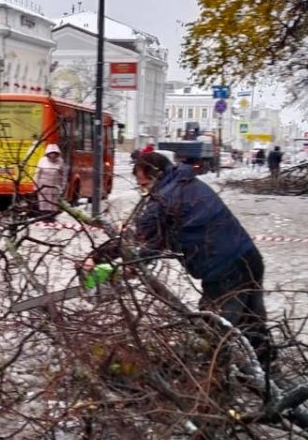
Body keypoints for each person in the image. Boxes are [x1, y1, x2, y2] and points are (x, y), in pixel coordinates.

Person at [103, 152, 271, 363]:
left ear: (156, 175)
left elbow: (143, 242)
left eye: (144, 184)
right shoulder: (187, 182)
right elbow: (153, 241)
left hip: (225, 270)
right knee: (252, 322)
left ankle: (209, 380)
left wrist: (108, 259)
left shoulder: (164, 199)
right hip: (249, 257)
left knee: (214, 329)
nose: (144, 191)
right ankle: (266, 375)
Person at [34, 143, 67, 216]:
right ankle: (44, 217)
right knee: (44, 203)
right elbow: (37, 174)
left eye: (55, 153)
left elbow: (63, 175)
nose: (53, 155)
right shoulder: (42, 161)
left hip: (55, 187)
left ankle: (52, 218)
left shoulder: (60, 162)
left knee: (53, 204)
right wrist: (36, 186)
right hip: (43, 187)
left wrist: (63, 187)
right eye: (51, 153)